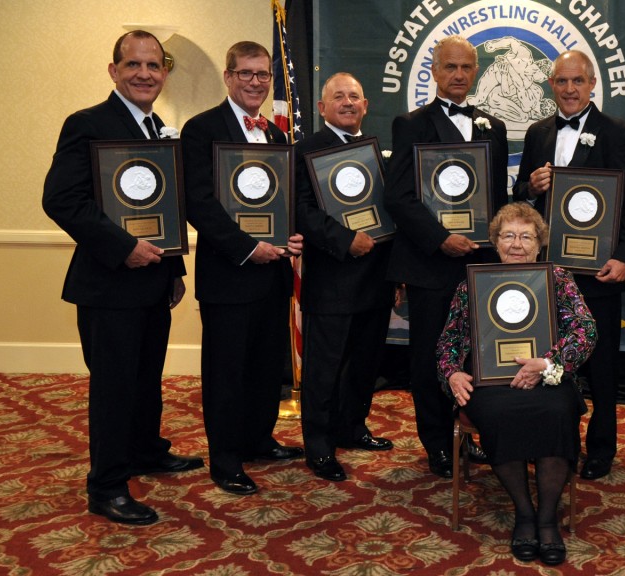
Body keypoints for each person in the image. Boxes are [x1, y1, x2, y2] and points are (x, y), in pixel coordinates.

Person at [41, 30, 203, 525]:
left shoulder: (159, 129)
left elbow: (163, 208)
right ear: (114, 70)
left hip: (153, 281)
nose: (144, 74)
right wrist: (124, 247)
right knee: (114, 388)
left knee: (146, 377)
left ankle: (145, 451)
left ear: (164, 73)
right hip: (109, 283)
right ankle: (107, 486)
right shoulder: (87, 123)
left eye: (154, 66)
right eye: (134, 64)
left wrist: (173, 270)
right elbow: (61, 199)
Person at [438, 202, 597, 566]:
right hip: (491, 382)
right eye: (508, 235)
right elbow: (449, 340)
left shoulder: (557, 278)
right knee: (498, 415)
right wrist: (452, 373)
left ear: (539, 244)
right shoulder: (472, 283)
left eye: (526, 236)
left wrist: (549, 363)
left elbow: (585, 329)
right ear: (495, 242)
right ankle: (525, 513)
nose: (516, 244)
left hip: (547, 375)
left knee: (557, 412)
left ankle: (547, 518)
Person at [181, 41, 304, 495]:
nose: (255, 82)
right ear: (229, 77)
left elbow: (283, 201)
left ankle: (258, 439)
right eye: (246, 73)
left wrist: (292, 237)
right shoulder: (201, 129)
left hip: (273, 274)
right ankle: (226, 458)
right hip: (229, 274)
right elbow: (199, 202)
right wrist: (248, 248)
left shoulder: (276, 137)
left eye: (263, 74)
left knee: (264, 367)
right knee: (226, 372)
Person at [383, 35, 509, 478]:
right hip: (431, 263)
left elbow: (496, 197)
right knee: (431, 356)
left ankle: (469, 435)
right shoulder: (410, 124)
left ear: (476, 72)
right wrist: (440, 238)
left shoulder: (493, 127)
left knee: (476, 356)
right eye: (450, 67)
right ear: (434, 71)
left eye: (466, 67)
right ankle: (438, 443)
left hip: (479, 264)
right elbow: (398, 197)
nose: (459, 75)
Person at [513, 50, 625, 480]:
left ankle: (602, 447)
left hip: (598, 271)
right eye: (562, 81)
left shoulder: (619, 132)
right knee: (550, 361)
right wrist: (530, 186)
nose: (569, 89)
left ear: (591, 84)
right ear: (551, 84)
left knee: (601, 367)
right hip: (548, 271)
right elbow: (520, 194)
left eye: (578, 81)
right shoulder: (538, 132)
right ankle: (554, 445)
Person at [294, 72, 394, 482]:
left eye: (355, 96)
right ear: (322, 107)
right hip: (332, 278)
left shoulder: (375, 151)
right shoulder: (306, 150)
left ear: (366, 106)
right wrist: (344, 239)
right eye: (339, 96)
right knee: (325, 368)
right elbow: (300, 209)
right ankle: (318, 445)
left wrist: (396, 274)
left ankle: (352, 427)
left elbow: (390, 212)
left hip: (376, 277)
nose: (348, 102)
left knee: (364, 364)